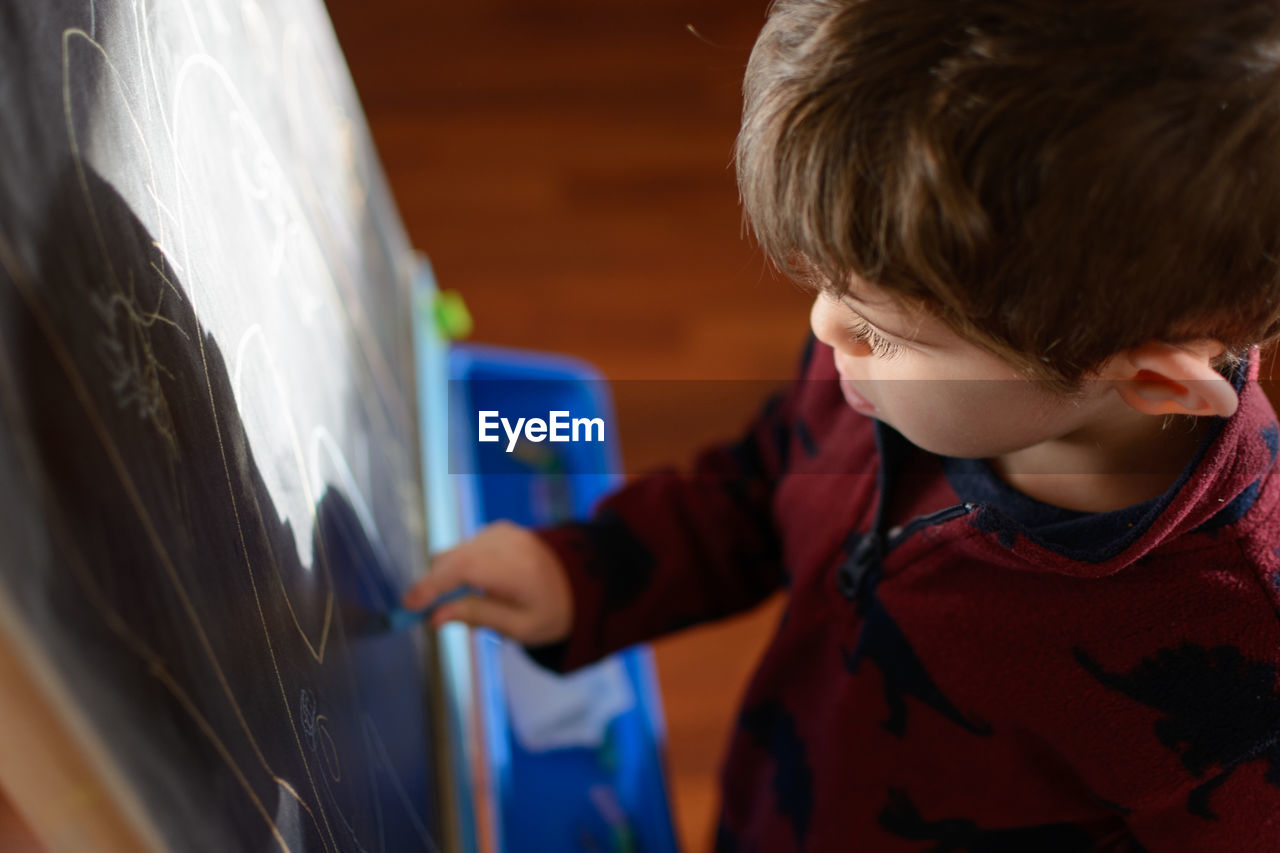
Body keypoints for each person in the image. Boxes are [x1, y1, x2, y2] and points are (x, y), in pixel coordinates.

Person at [405, 1, 1280, 848]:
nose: (826, 329)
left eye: (884, 330)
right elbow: (765, 477)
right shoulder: (888, 370)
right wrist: (590, 574)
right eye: (827, 285)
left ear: (1156, 383)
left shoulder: (1239, 665)